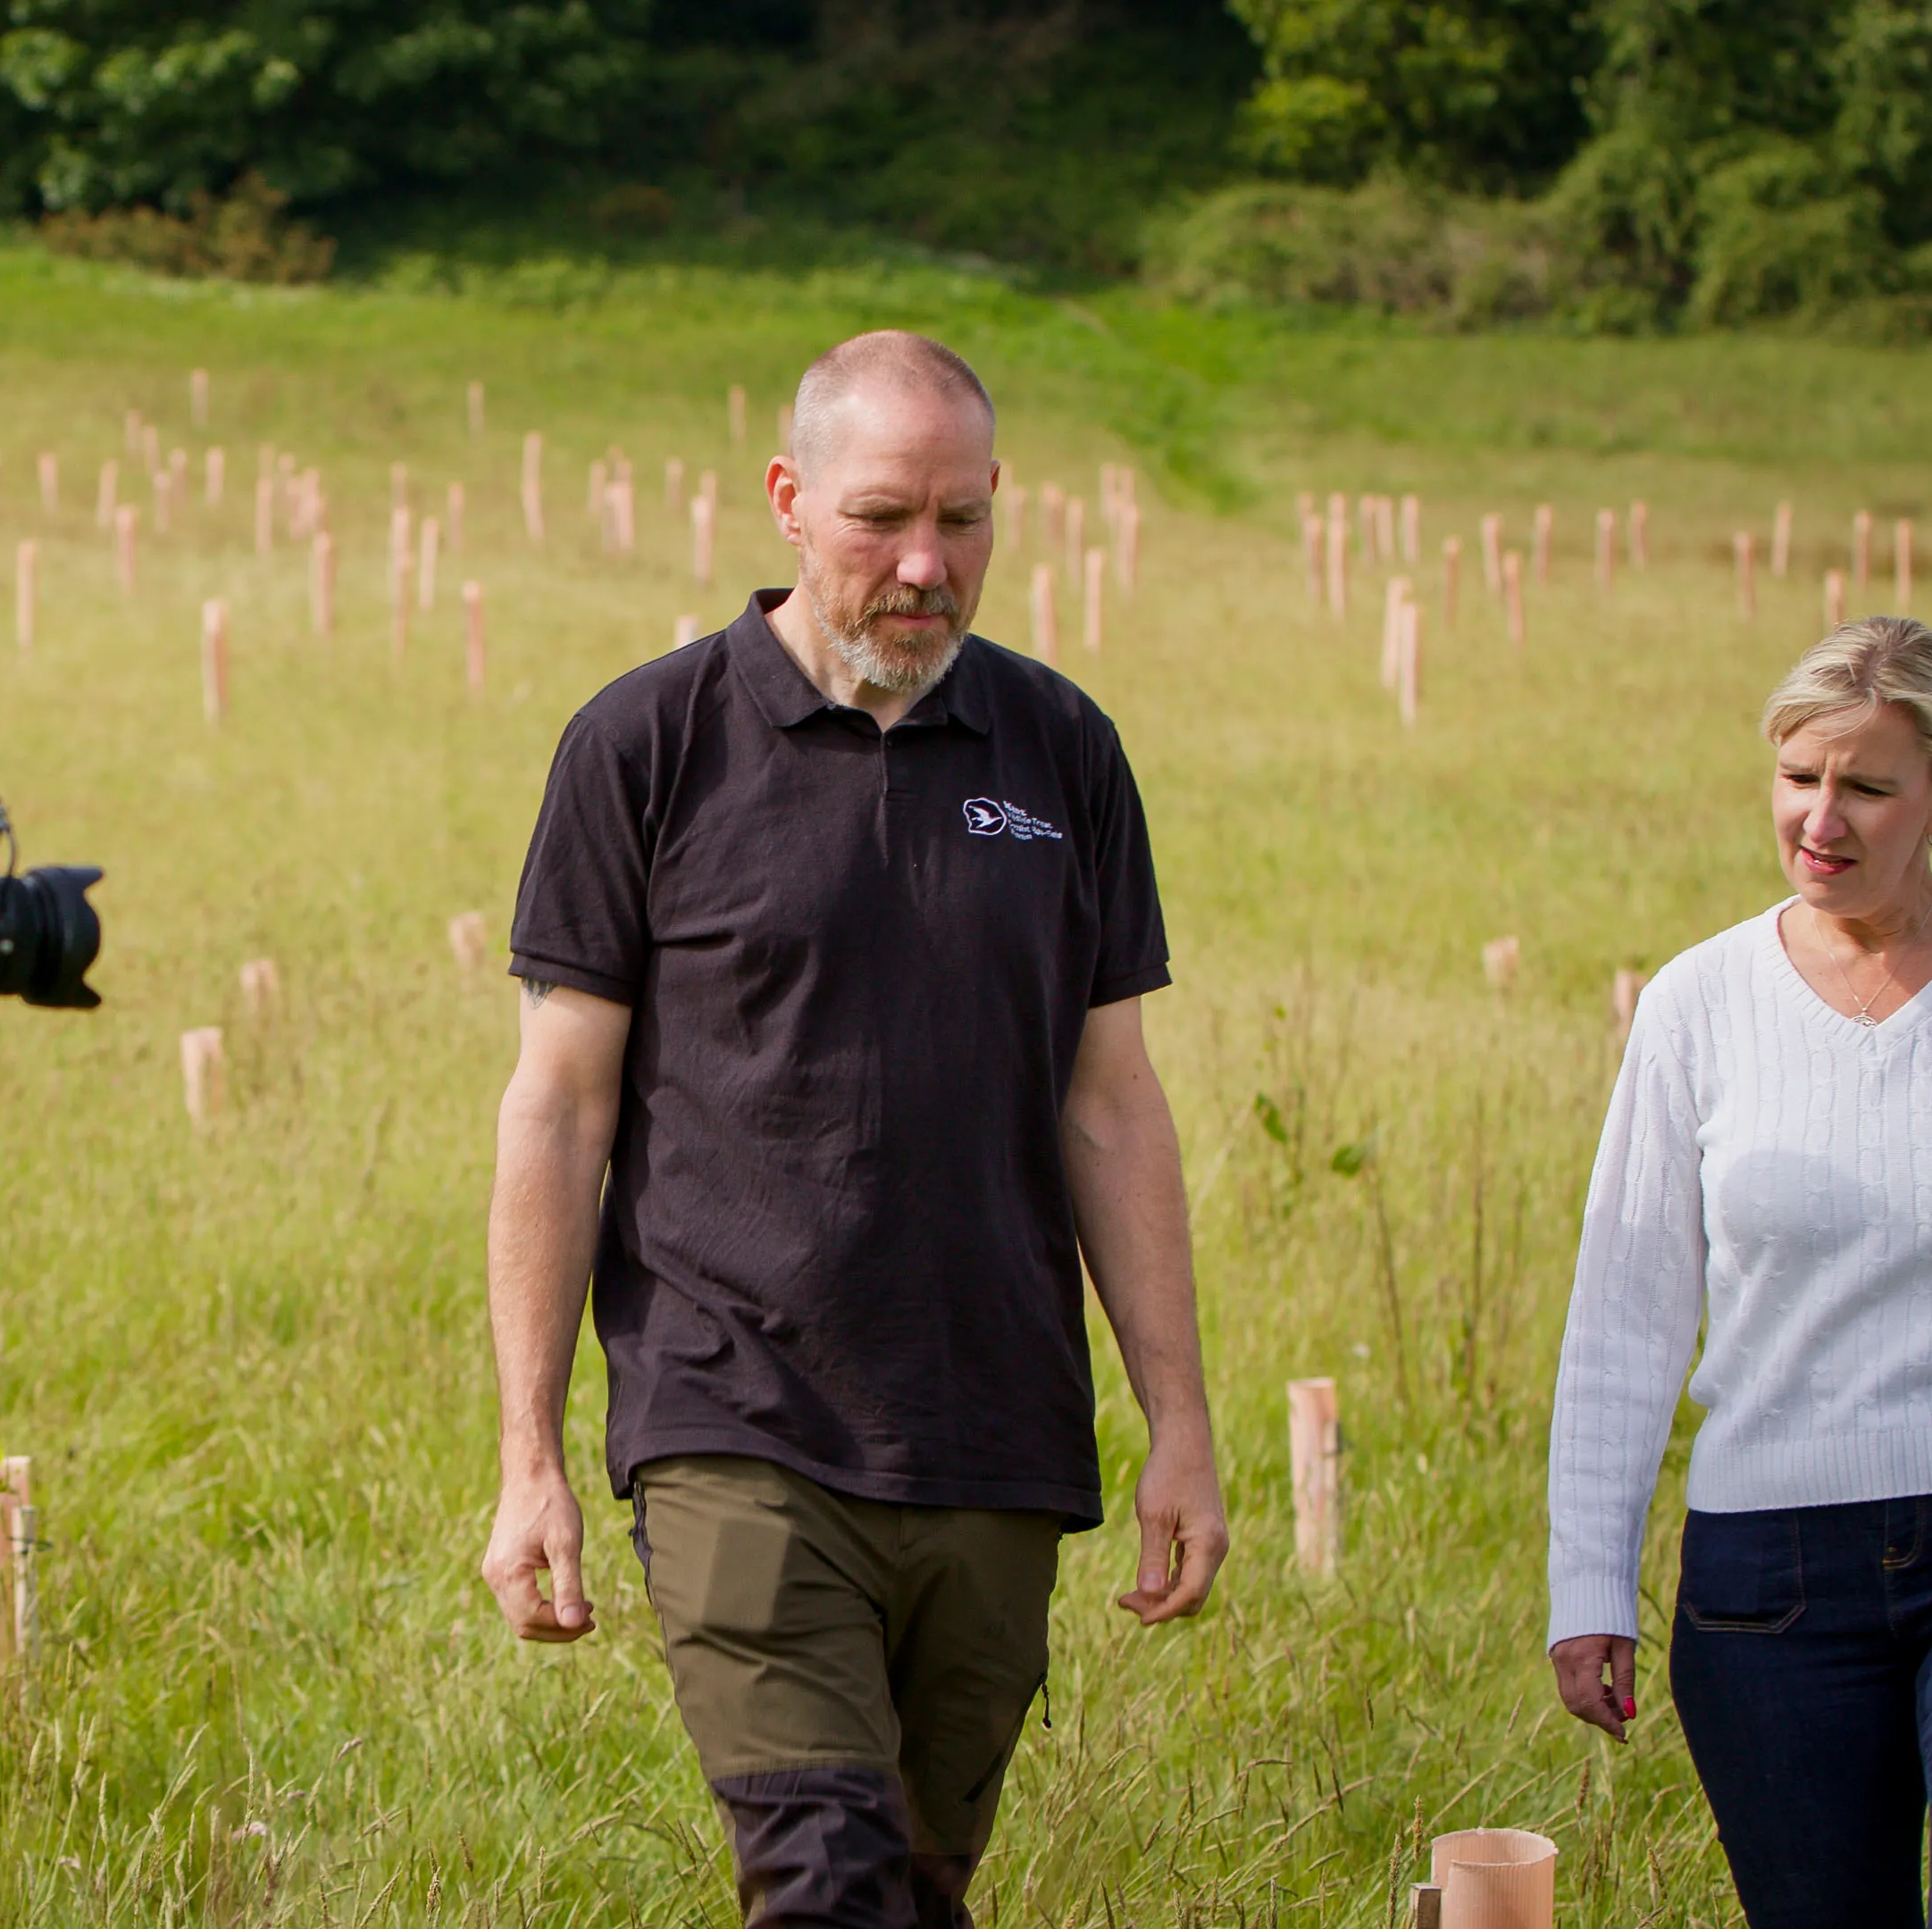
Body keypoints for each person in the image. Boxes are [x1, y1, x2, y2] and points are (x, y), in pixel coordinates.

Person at [475, 330, 1226, 1928]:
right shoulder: (650, 744)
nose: (925, 565)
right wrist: (530, 1455)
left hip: (992, 1427)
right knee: (823, 1880)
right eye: (883, 518)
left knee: (917, 1886)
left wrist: (1181, 1418)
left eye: (962, 522)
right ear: (789, 501)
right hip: (731, 1411)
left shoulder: (1062, 751)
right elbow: (558, 1108)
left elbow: (1112, 1105)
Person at [1547, 617, 1932, 1927]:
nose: (1821, 820)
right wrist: (1589, 1584)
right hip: (1770, 1585)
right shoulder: (1698, 1001)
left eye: (1866, 786)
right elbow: (1628, 1311)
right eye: (1799, 778)